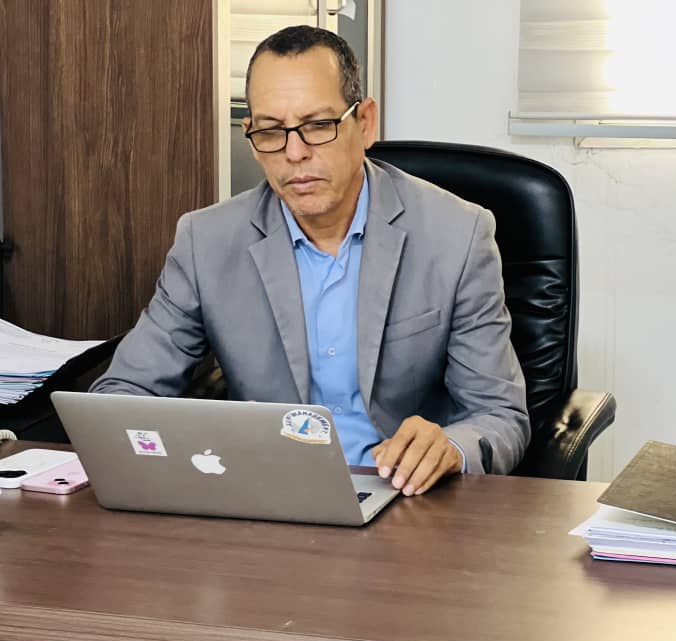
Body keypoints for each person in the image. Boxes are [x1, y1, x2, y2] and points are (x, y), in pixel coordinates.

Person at [91, 25, 530, 493]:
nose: (294, 154)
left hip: (405, 499)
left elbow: (499, 415)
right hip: (265, 494)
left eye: (318, 126)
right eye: (270, 131)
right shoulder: (207, 242)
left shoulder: (456, 235)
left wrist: (450, 447)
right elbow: (122, 394)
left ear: (365, 123)